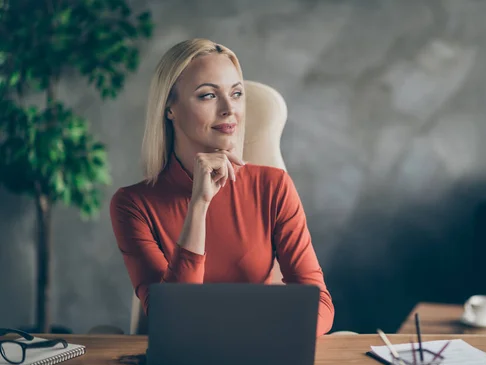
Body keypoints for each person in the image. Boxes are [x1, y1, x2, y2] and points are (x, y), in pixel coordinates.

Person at [109, 39, 334, 336]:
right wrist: (198, 206)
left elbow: (319, 305)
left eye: (236, 93)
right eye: (207, 96)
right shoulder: (132, 205)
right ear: (169, 108)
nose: (230, 109)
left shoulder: (273, 186)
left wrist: (245, 336)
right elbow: (172, 320)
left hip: (262, 358)